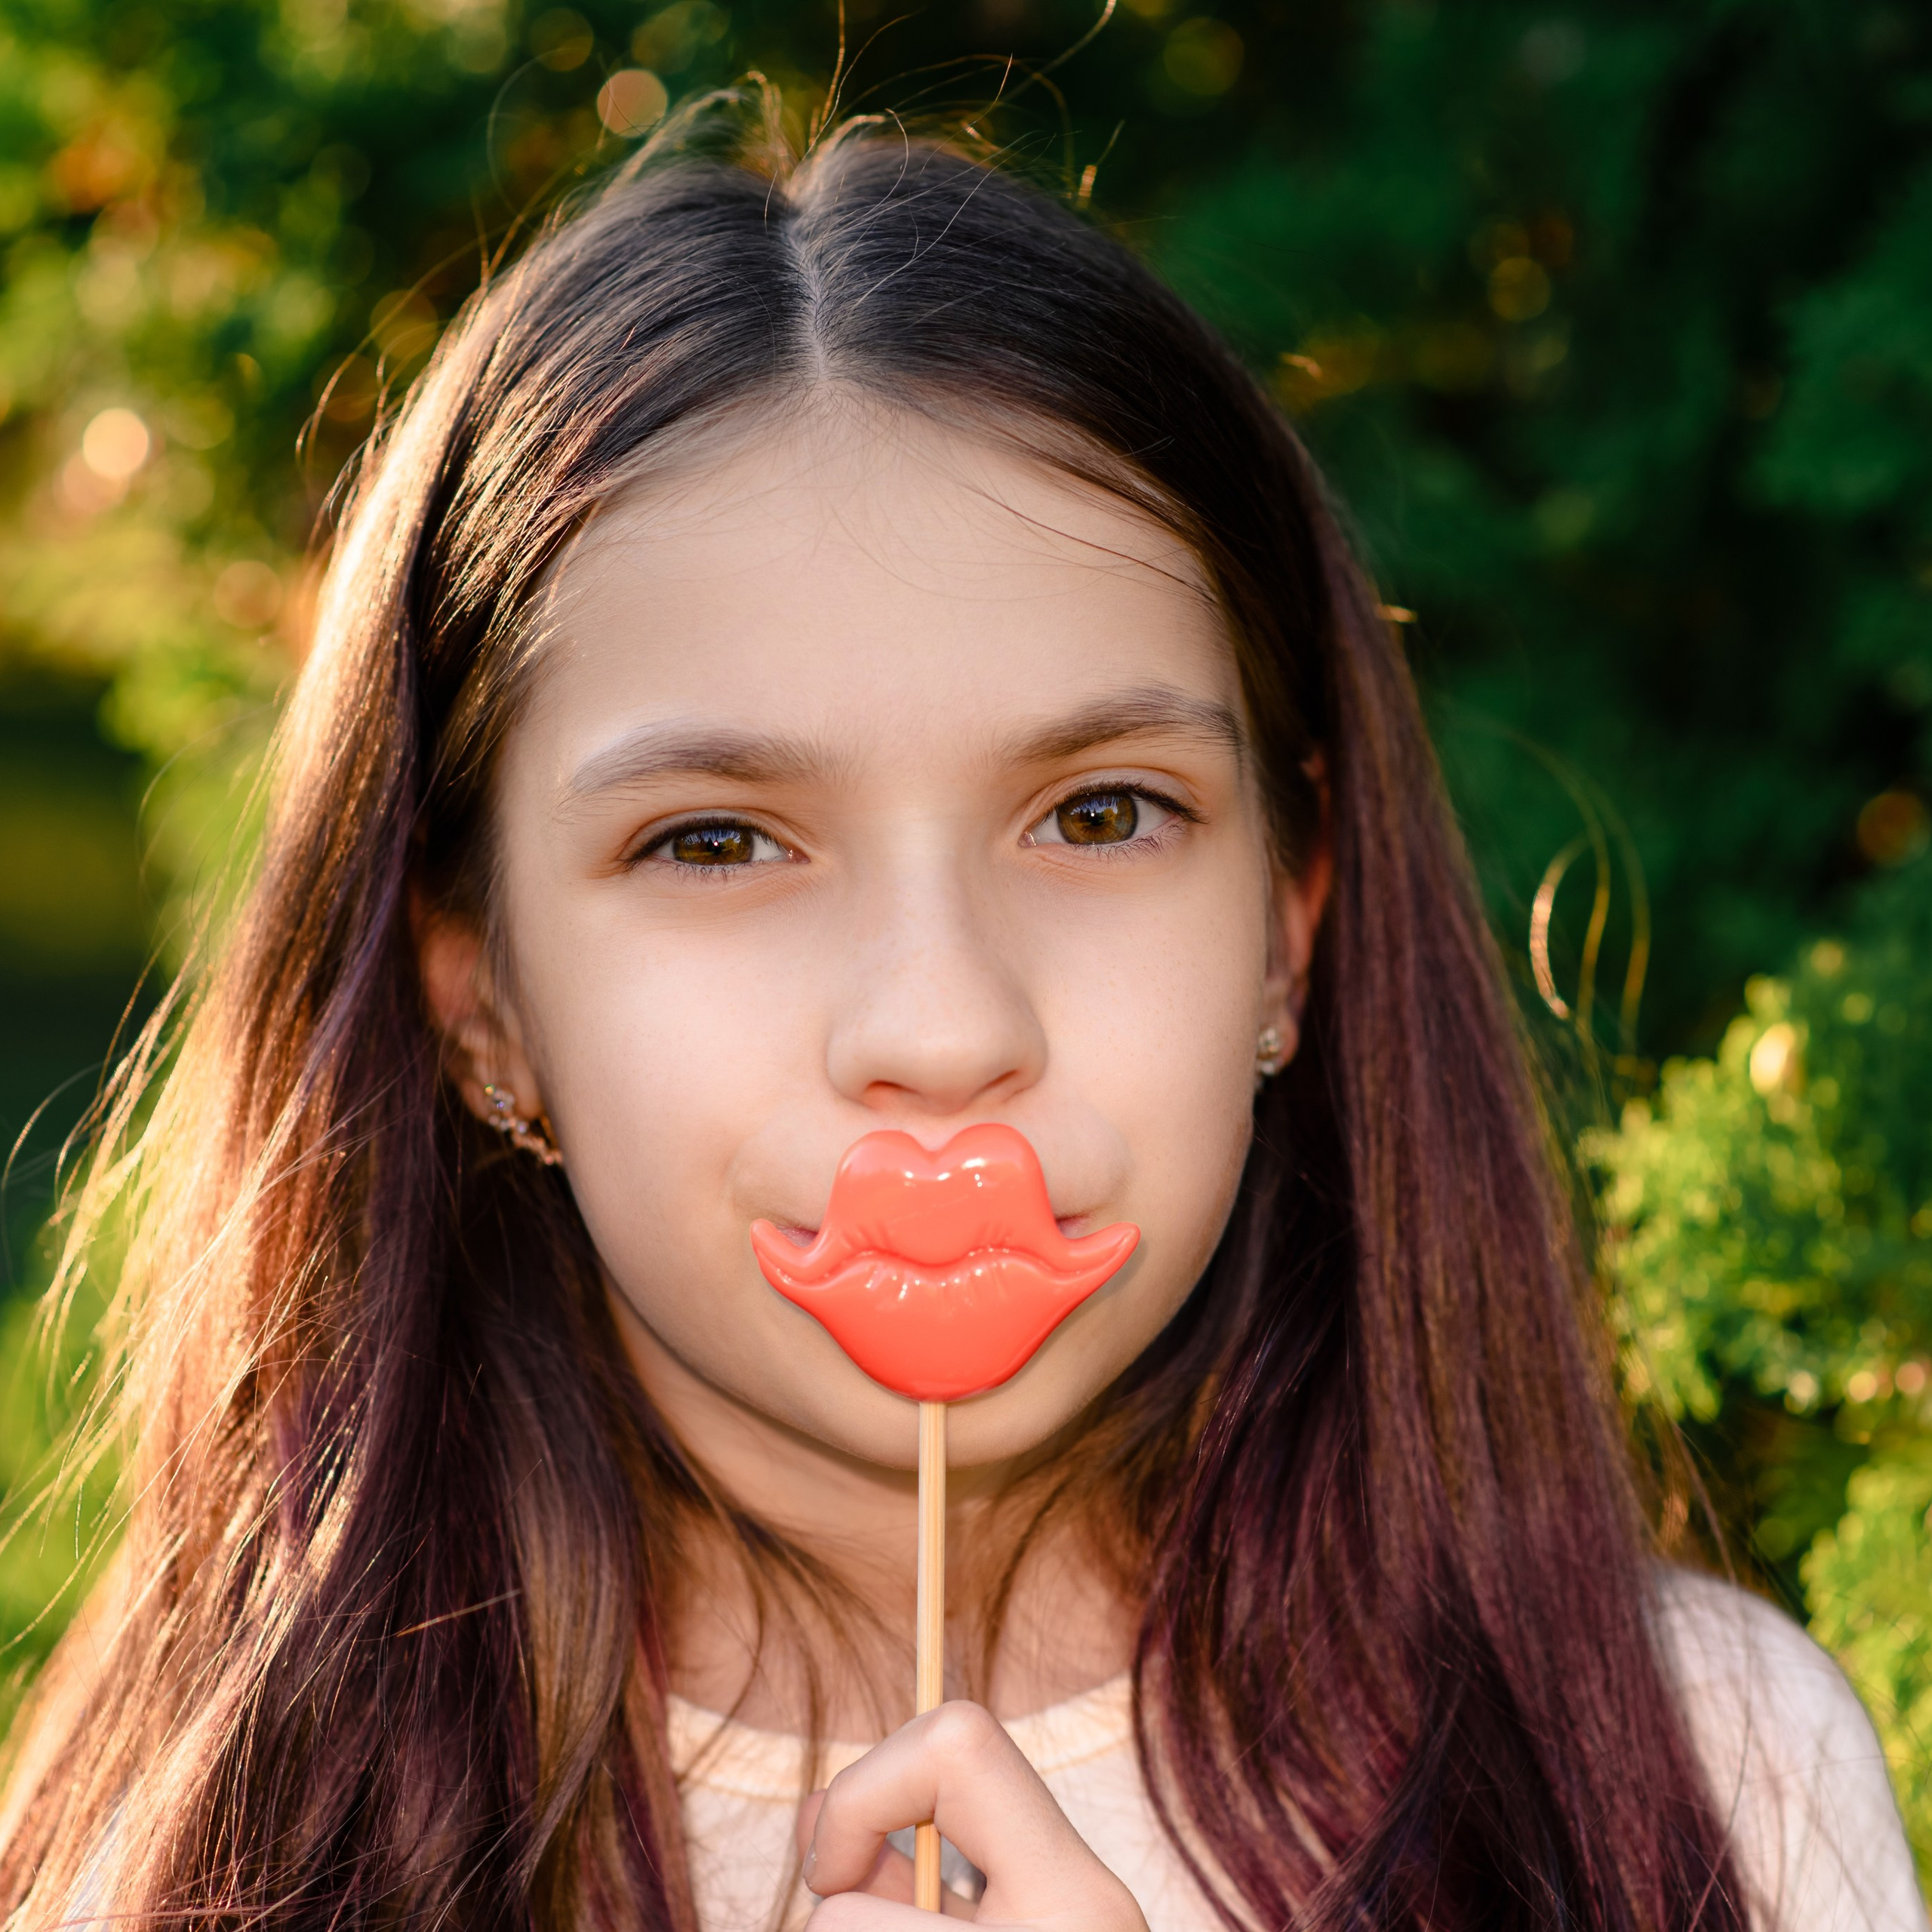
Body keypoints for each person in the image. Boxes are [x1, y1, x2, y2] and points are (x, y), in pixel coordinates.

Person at [0, 107, 1921, 1932]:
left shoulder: (1699, 1773)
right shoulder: (202, 1838)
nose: (939, 1023)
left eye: (1097, 813)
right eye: (719, 839)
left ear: (1285, 923)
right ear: (476, 993)